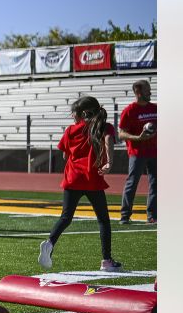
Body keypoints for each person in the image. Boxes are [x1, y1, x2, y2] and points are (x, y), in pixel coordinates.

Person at [38, 95, 121, 272]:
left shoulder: (70, 130)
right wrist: (109, 162)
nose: (72, 116)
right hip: (92, 178)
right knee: (103, 221)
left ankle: (50, 243)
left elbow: (64, 155)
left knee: (65, 217)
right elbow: (108, 141)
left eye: (73, 113)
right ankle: (106, 260)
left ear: (82, 113)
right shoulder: (103, 127)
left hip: (72, 178)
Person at [118, 79, 157, 225]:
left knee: (156, 184)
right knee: (132, 183)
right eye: (147, 90)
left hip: (155, 152)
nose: (150, 92)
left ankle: (152, 216)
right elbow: (121, 134)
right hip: (137, 153)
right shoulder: (129, 111)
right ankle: (125, 215)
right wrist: (138, 138)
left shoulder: (155, 108)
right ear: (138, 93)